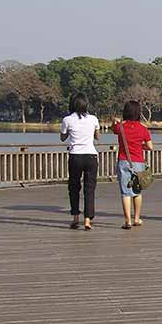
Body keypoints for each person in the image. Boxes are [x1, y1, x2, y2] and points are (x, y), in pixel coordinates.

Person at [59, 92, 99, 230]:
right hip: (91, 156)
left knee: (74, 187)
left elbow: (62, 138)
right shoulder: (93, 119)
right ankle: (88, 219)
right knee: (90, 188)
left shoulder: (67, 119)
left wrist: (69, 132)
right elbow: (97, 137)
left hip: (75, 155)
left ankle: (75, 216)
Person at [111, 100, 153, 230]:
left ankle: (127, 220)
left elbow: (113, 129)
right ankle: (137, 218)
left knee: (125, 193)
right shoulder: (143, 129)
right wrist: (140, 147)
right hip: (139, 162)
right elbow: (150, 147)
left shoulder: (120, 127)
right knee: (137, 191)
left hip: (124, 161)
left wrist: (114, 121)